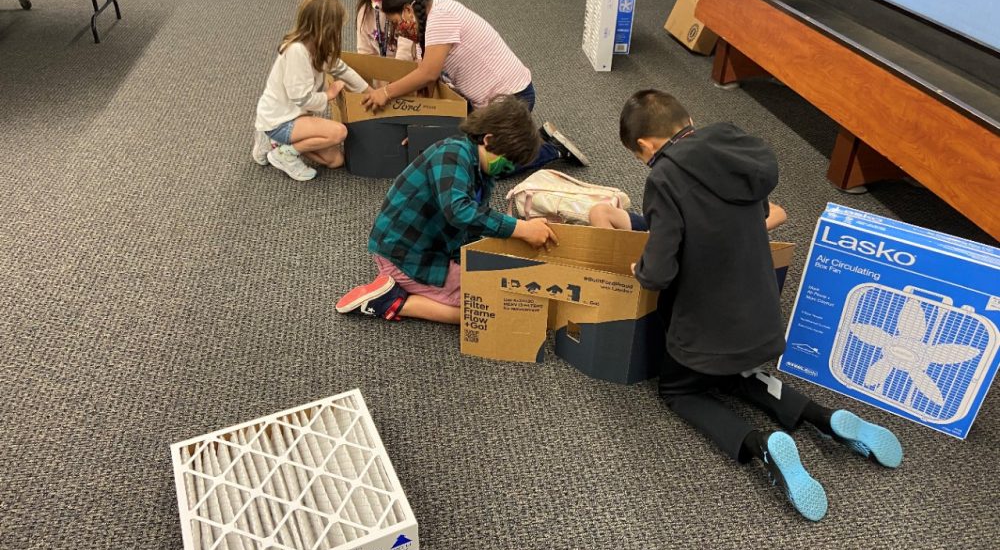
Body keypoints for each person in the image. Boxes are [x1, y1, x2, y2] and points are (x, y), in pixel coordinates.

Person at [621, 89, 902, 522]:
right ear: (687, 118)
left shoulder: (664, 178)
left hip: (707, 332)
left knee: (679, 390)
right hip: (762, 323)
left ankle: (761, 447)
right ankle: (822, 418)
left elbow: (659, 273)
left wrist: (639, 268)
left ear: (645, 146)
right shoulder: (738, 150)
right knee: (739, 374)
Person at [335, 96, 558, 325]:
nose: (509, 169)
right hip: (403, 256)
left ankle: (408, 287)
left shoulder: (481, 171)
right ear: (489, 140)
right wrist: (520, 228)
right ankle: (392, 300)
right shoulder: (452, 154)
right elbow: (459, 211)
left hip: (429, 249)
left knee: (490, 288)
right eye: (508, 161)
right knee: (481, 307)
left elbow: (471, 222)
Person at [359, 0, 589, 170]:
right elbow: (427, 83)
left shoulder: (440, 17)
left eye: (397, 22)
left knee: (483, 165)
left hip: (513, 98)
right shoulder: (427, 23)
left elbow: (427, 73)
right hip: (481, 102)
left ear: (409, 9)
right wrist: (423, 129)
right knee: (454, 148)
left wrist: (386, 92)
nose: (398, 30)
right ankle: (529, 137)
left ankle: (551, 149)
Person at [252, 0, 371, 181]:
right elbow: (302, 98)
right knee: (339, 132)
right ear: (324, 28)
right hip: (281, 120)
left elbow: (342, 69)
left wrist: (370, 92)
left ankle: (276, 144)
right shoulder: (297, 51)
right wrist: (329, 94)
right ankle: (284, 153)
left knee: (336, 160)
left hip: (297, 116)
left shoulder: (319, 47)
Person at [589, 199, 787, 232]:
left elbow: (779, 213)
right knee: (599, 211)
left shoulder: (739, 193)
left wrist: (746, 231)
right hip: (658, 230)